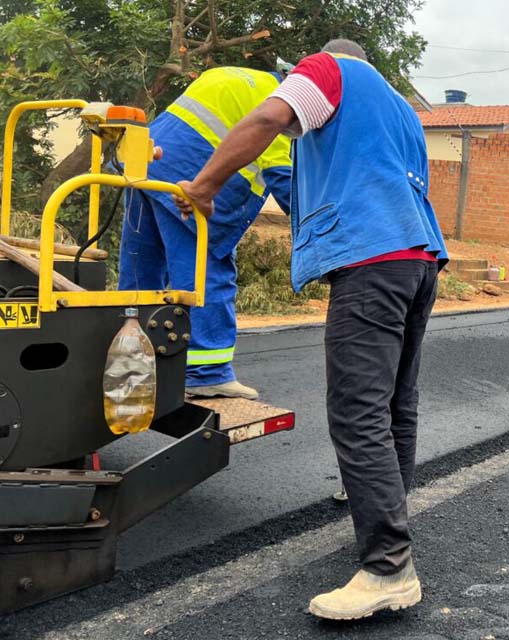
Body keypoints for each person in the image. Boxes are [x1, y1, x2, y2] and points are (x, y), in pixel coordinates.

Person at [173, 39, 447, 620]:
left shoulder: (328, 70)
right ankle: (388, 519)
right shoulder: (401, 107)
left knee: (357, 410)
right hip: (418, 260)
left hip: (372, 257)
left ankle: (389, 567)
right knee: (396, 403)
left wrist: (204, 185)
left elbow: (270, 117)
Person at [119, 65, 293, 400]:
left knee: (141, 272)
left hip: (145, 164)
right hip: (185, 185)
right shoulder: (279, 102)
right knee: (206, 269)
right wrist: (320, 231)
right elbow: (281, 175)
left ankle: (130, 362)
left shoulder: (236, 76)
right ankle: (207, 373)